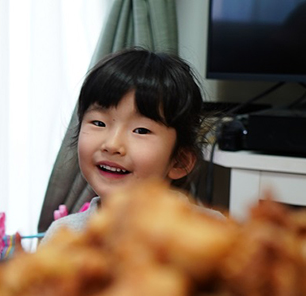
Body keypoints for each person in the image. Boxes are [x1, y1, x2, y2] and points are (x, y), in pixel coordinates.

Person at [42, 47, 222, 243]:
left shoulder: (211, 233)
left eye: (141, 130)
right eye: (99, 123)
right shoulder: (64, 236)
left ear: (179, 161)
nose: (112, 145)